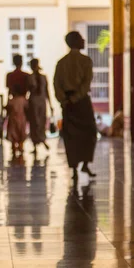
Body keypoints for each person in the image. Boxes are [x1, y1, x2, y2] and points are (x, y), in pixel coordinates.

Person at [54, 31, 97, 181]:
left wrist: (64, 100)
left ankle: (74, 169)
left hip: (67, 104)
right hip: (81, 102)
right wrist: (76, 98)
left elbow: (57, 85)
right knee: (89, 132)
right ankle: (85, 163)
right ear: (76, 42)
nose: (84, 40)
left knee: (70, 136)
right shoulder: (86, 61)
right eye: (81, 39)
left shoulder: (61, 63)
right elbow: (86, 83)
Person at [27, 58, 53, 155]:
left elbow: (46, 91)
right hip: (39, 102)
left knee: (38, 123)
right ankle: (40, 141)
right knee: (37, 123)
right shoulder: (34, 77)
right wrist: (50, 105)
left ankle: (40, 141)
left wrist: (50, 105)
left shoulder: (34, 77)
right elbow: (47, 92)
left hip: (36, 102)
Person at [6, 83, 28, 156]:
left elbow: (8, 109)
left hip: (13, 118)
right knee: (21, 132)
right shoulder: (23, 100)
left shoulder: (11, 101)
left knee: (13, 133)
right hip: (22, 118)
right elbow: (27, 108)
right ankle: (21, 147)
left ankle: (13, 147)